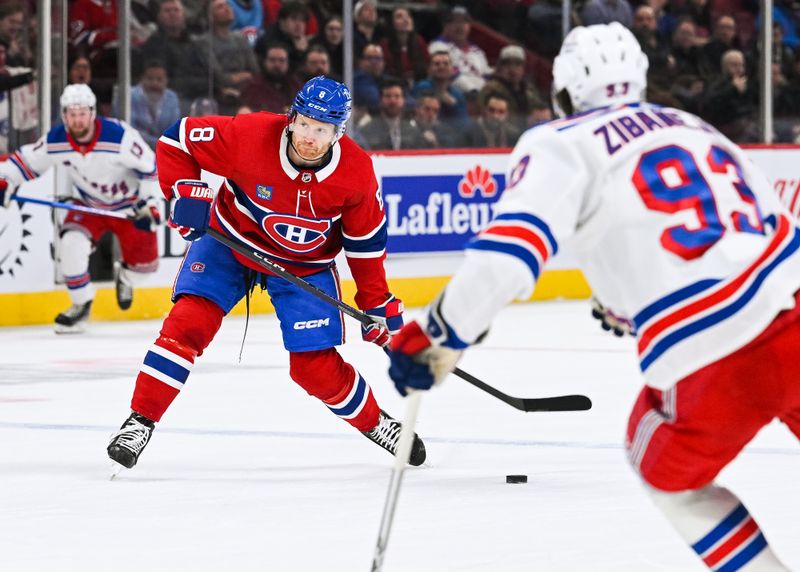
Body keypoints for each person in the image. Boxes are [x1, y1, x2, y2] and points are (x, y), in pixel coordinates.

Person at [388, 23, 800, 571]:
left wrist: (439, 334)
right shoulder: (693, 125)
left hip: (717, 352)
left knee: (664, 474)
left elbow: (507, 258)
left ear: (562, 90)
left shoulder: (562, 141)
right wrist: (627, 304)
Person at [106, 76, 426, 471]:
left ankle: (377, 424)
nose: (310, 136)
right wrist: (183, 192)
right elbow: (178, 139)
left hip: (303, 265)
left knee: (313, 368)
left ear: (338, 133)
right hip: (229, 242)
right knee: (186, 326)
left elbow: (365, 246)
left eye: (322, 129)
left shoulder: (357, 172)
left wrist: (376, 303)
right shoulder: (250, 134)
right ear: (291, 118)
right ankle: (139, 422)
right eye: (305, 123)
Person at [0, 84, 161, 333]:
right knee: (71, 244)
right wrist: (5, 181)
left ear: (93, 112)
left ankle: (126, 278)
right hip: (89, 205)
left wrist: (148, 206)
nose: (77, 119)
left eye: (82, 112)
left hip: (129, 208)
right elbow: (26, 161)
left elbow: (149, 168)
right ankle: (81, 305)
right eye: (72, 113)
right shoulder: (57, 140)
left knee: (145, 270)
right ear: (64, 115)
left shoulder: (118, 136)